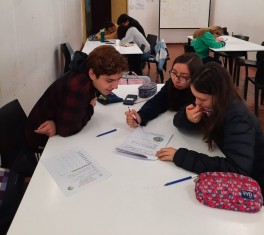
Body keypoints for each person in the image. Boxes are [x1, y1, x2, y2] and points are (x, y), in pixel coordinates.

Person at [156, 62, 264, 195]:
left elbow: (237, 169)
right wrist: (187, 117)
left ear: (219, 95)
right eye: (195, 97)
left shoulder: (238, 118)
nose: (197, 103)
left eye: (202, 99)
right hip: (228, 156)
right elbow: (178, 120)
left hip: (252, 186)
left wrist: (181, 156)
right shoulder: (213, 105)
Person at [25, 45, 128, 165]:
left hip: (51, 132)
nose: (116, 86)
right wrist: (90, 108)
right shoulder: (79, 87)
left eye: (118, 79)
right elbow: (68, 129)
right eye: (109, 81)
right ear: (92, 74)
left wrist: (58, 124)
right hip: (39, 145)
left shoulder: (85, 71)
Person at [125, 53, 203, 127]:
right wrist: (141, 116)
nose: (176, 80)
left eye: (184, 76)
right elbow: (158, 101)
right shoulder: (172, 83)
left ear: (195, 77)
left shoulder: (200, 94)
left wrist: (188, 118)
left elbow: (180, 119)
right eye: (174, 73)